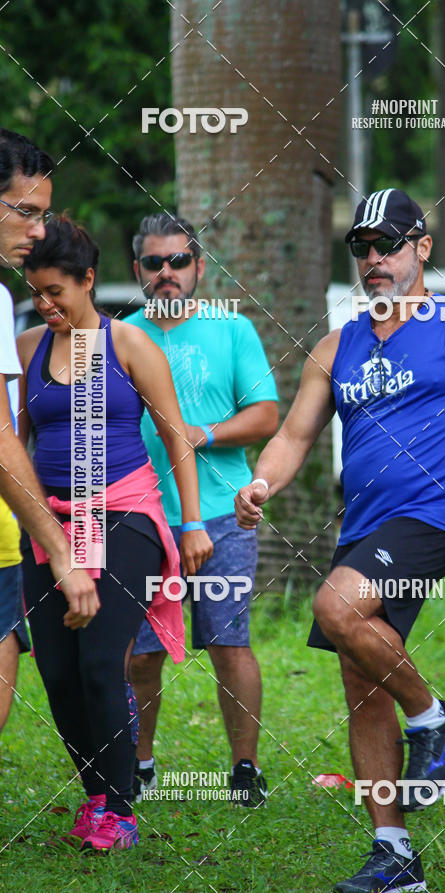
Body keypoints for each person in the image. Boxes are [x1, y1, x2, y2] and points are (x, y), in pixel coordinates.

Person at [235, 189, 445, 893]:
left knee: (336, 607)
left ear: (422, 248)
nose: (374, 258)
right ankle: (394, 852)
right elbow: (294, 435)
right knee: (361, 680)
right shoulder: (336, 345)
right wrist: (261, 484)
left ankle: (440, 719)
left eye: (389, 244)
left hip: (434, 514)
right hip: (365, 524)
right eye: (363, 247)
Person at [16, 216, 212, 850]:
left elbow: (176, 436)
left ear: (88, 280)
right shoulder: (27, 347)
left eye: (55, 291)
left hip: (124, 515)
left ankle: (119, 808)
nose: (46, 305)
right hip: (50, 521)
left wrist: (192, 522)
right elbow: (17, 442)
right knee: (58, 671)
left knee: (102, 663)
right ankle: (97, 793)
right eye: (35, 293)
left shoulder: (127, 343)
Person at [125, 213, 278, 807]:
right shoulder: (120, 336)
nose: (167, 272)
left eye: (179, 261)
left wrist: (201, 434)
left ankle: (245, 768)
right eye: (154, 262)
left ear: (199, 267)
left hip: (221, 515)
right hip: (142, 518)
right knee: (140, 653)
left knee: (228, 643)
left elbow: (265, 416)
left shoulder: (231, 328)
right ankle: (138, 766)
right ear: (137, 269)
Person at [0, 130, 99, 738]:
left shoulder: (116, 343)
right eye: (26, 212)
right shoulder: (26, 336)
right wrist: (63, 552)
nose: (38, 231)